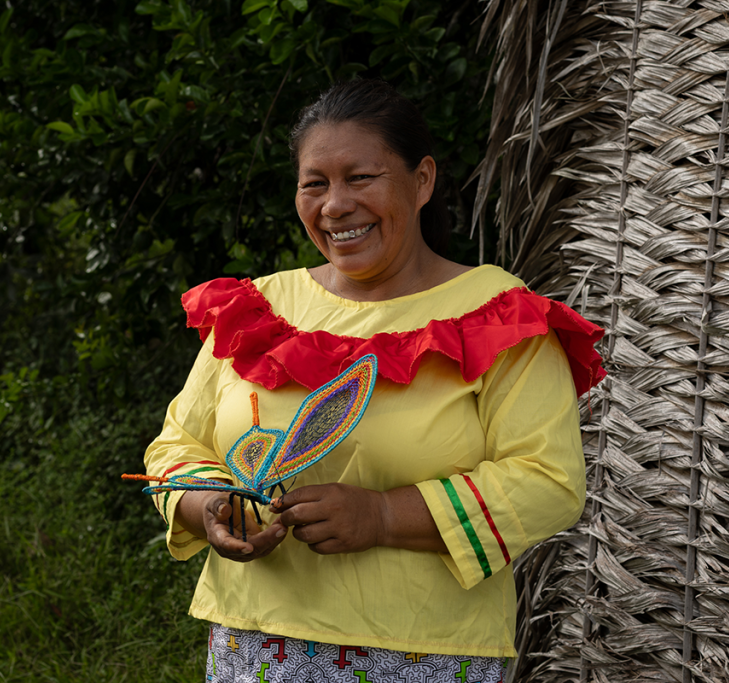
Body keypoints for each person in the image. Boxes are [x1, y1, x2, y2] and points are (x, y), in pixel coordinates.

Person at [143, 79, 605, 682]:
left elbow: (548, 481)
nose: (335, 205)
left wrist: (384, 516)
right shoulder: (258, 309)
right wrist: (210, 506)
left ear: (422, 181)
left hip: (423, 654)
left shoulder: (498, 315)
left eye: (360, 178)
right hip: (253, 644)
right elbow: (176, 448)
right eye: (315, 183)